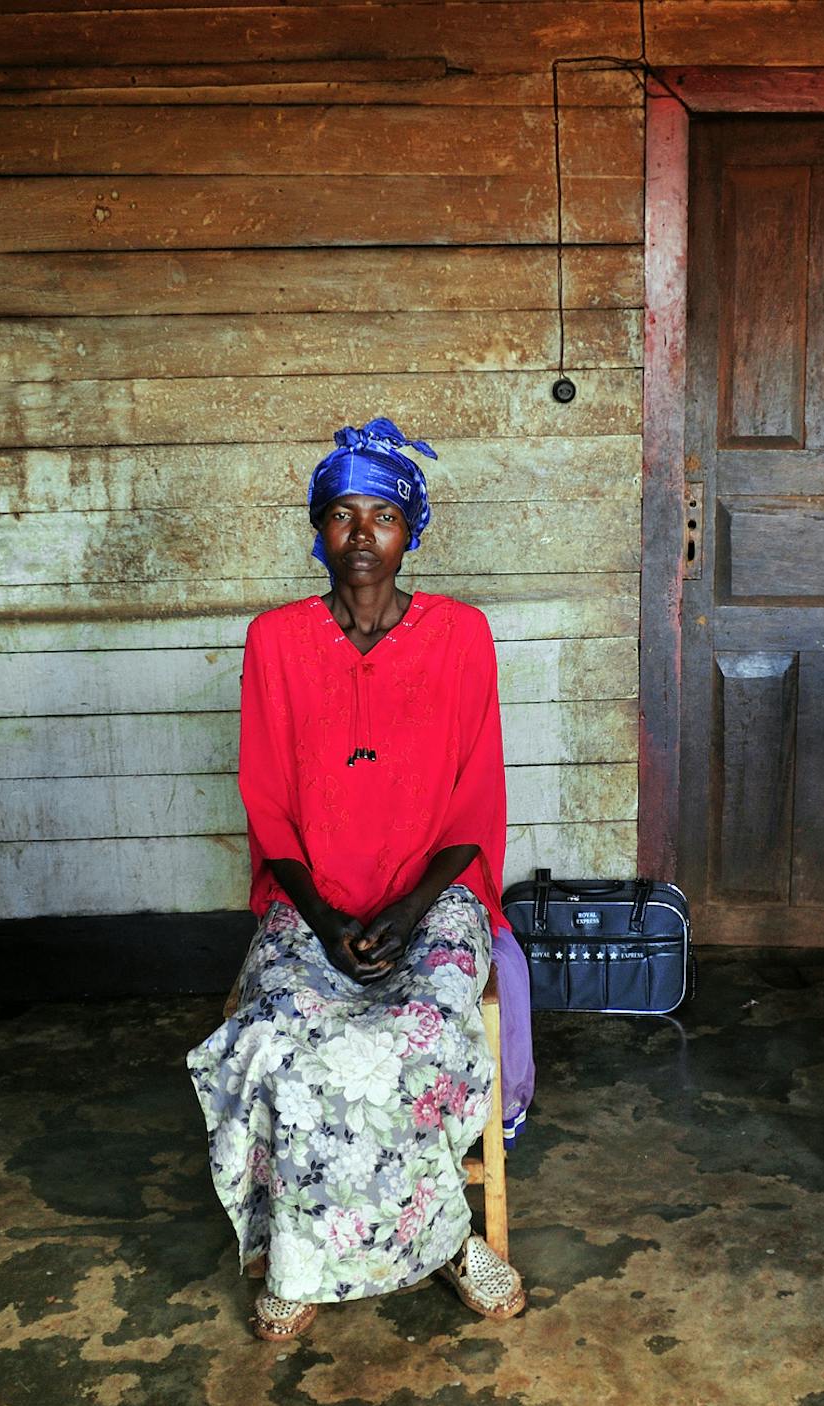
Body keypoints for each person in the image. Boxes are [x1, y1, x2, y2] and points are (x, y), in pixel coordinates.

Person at [187, 417, 528, 1341]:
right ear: (318, 529)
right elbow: (269, 805)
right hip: (312, 902)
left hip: (434, 899)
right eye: (343, 515)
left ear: (412, 530)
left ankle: (449, 1240)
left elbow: (474, 807)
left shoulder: (461, 637)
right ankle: (301, 1257)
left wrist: (414, 910)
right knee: (287, 1047)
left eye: (384, 515)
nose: (364, 536)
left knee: (414, 1037)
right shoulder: (276, 641)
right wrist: (328, 921)